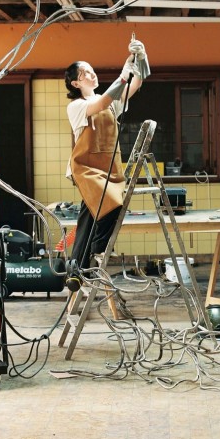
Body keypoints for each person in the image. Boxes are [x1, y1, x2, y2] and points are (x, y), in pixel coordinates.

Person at [64, 36, 150, 274]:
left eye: (92, 71)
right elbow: (101, 103)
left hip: (110, 167)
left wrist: (141, 59)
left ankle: (78, 268)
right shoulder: (77, 106)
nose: (92, 75)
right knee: (108, 203)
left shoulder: (113, 103)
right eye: (85, 73)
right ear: (75, 84)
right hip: (87, 168)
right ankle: (97, 250)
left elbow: (137, 83)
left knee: (91, 214)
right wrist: (123, 74)